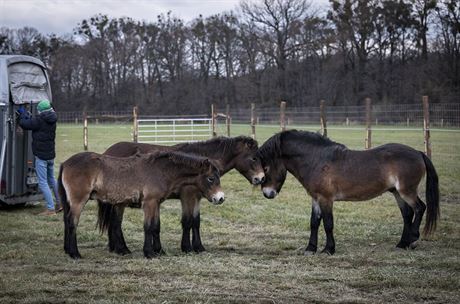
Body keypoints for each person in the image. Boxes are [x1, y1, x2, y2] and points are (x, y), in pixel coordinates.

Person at [17, 100, 61, 216]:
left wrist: (22, 115)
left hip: (41, 156)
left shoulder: (39, 120)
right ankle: (60, 204)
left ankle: (51, 209)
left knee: (43, 182)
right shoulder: (52, 118)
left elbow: (25, 124)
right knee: (52, 179)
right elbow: (35, 122)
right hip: (50, 155)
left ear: (41, 110)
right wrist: (29, 117)